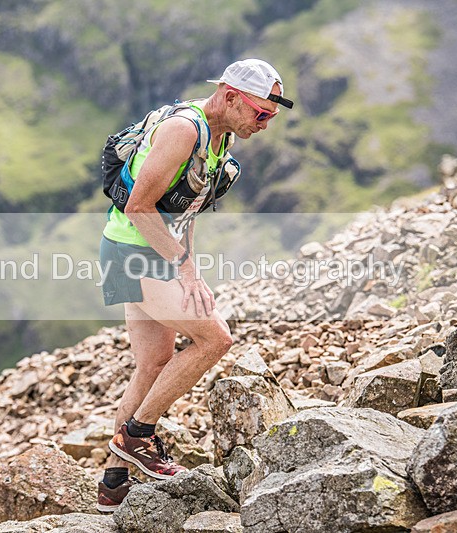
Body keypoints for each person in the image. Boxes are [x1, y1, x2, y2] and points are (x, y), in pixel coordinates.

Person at [95, 58, 293, 512]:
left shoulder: (220, 139)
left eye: (272, 117)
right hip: (134, 252)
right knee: (214, 339)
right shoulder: (186, 130)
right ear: (228, 96)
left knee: (153, 364)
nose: (265, 124)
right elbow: (140, 207)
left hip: (151, 251)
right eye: (260, 113)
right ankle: (138, 438)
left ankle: (113, 485)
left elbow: (186, 212)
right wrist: (184, 269)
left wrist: (191, 267)